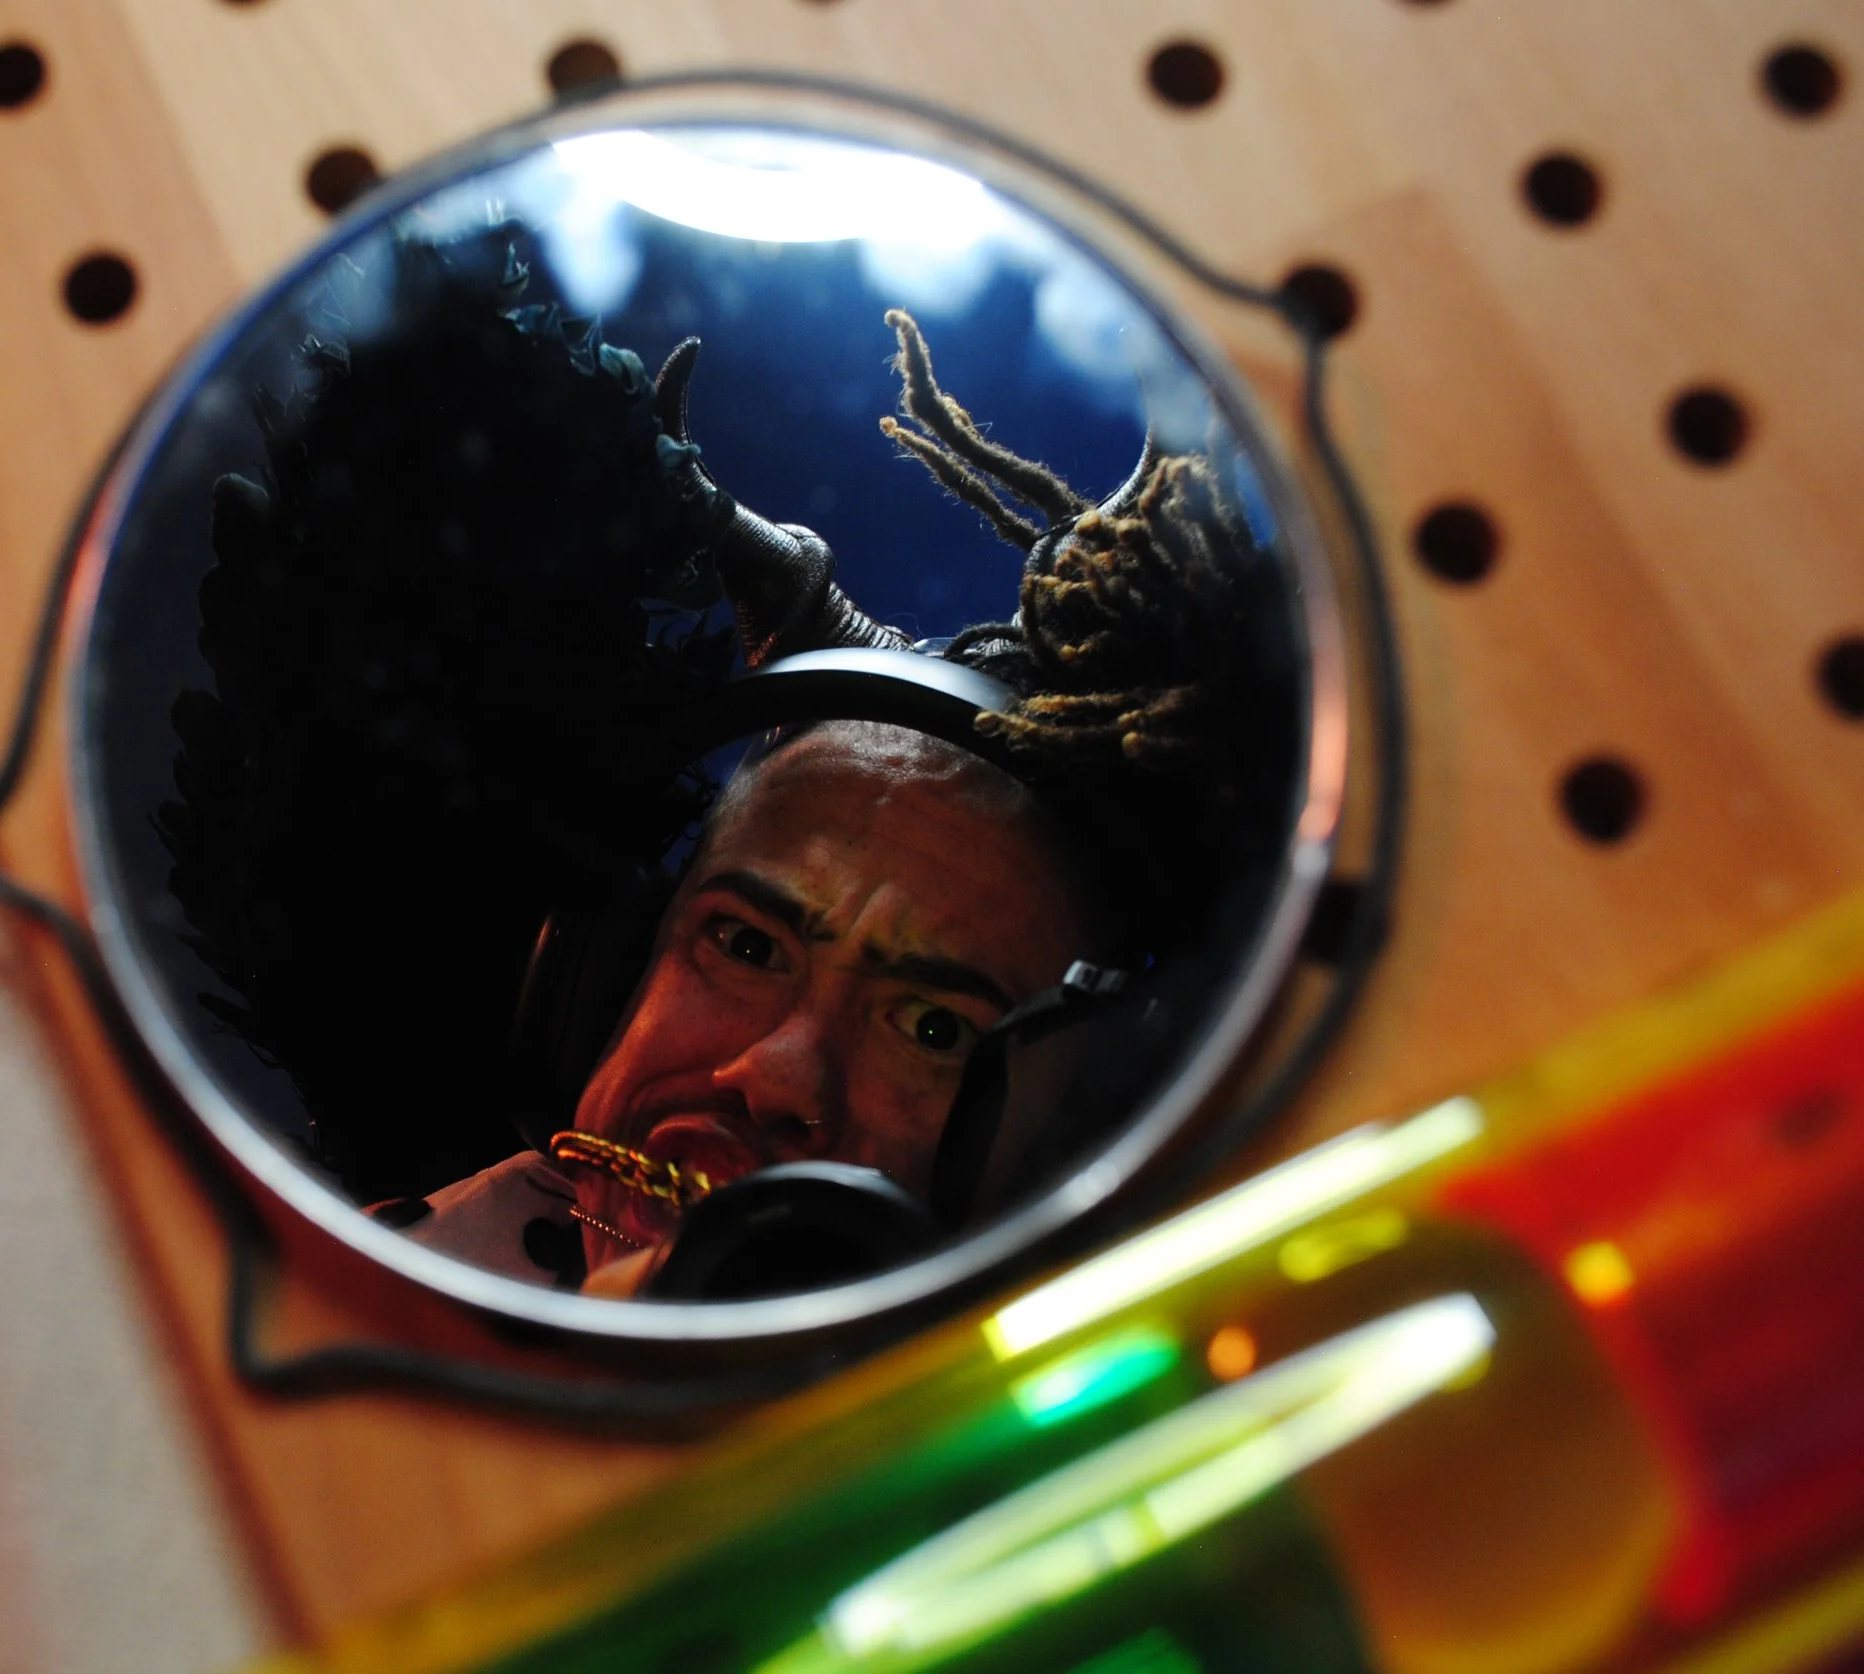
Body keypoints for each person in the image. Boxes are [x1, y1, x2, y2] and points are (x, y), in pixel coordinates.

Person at [162, 226, 1260, 1294]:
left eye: (935, 1030)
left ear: (1059, 1142)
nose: (774, 1079)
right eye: (743, 942)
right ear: (596, 980)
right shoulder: (336, 1300)